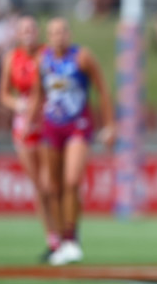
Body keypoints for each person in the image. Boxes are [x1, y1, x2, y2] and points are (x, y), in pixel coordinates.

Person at [27, 17, 116, 266]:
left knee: (72, 180)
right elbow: (37, 94)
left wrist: (109, 125)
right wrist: (29, 121)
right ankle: (60, 241)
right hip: (51, 127)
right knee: (52, 187)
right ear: (48, 36)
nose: (59, 36)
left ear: (69, 33)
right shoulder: (42, 61)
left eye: (63, 31)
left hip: (78, 125)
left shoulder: (82, 57)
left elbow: (102, 89)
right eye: (54, 32)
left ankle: (72, 237)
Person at [0, 15, 57, 260]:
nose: (29, 33)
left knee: (49, 182)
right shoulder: (12, 58)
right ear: (18, 34)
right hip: (24, 125)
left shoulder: (47, 54)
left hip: (47, 122)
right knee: (38, 186)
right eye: (24, 30)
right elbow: (3, 94)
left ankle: (65, 233)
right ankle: (51, 237)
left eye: (32, 28)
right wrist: (17, 105)